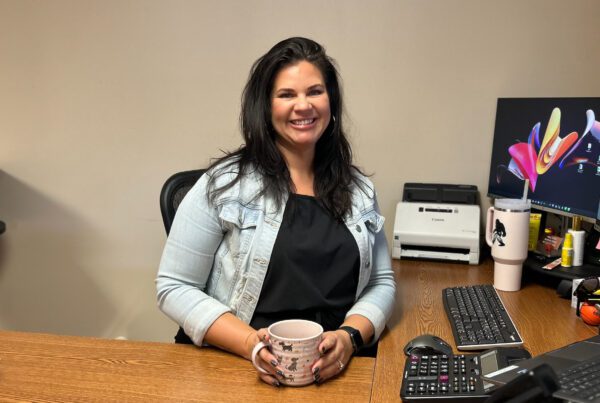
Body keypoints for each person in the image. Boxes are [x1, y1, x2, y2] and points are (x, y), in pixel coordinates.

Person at [156, 37, 396, 387]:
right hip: (238, 369)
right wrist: (250, 344)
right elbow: (173, 285)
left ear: (331, 101)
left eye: (315, 91)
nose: (304, 106)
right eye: (286, 95)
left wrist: (349, 338)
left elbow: (381, 282)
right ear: (265, 107)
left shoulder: (358, 189)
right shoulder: (223, 184)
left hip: (336, 372)